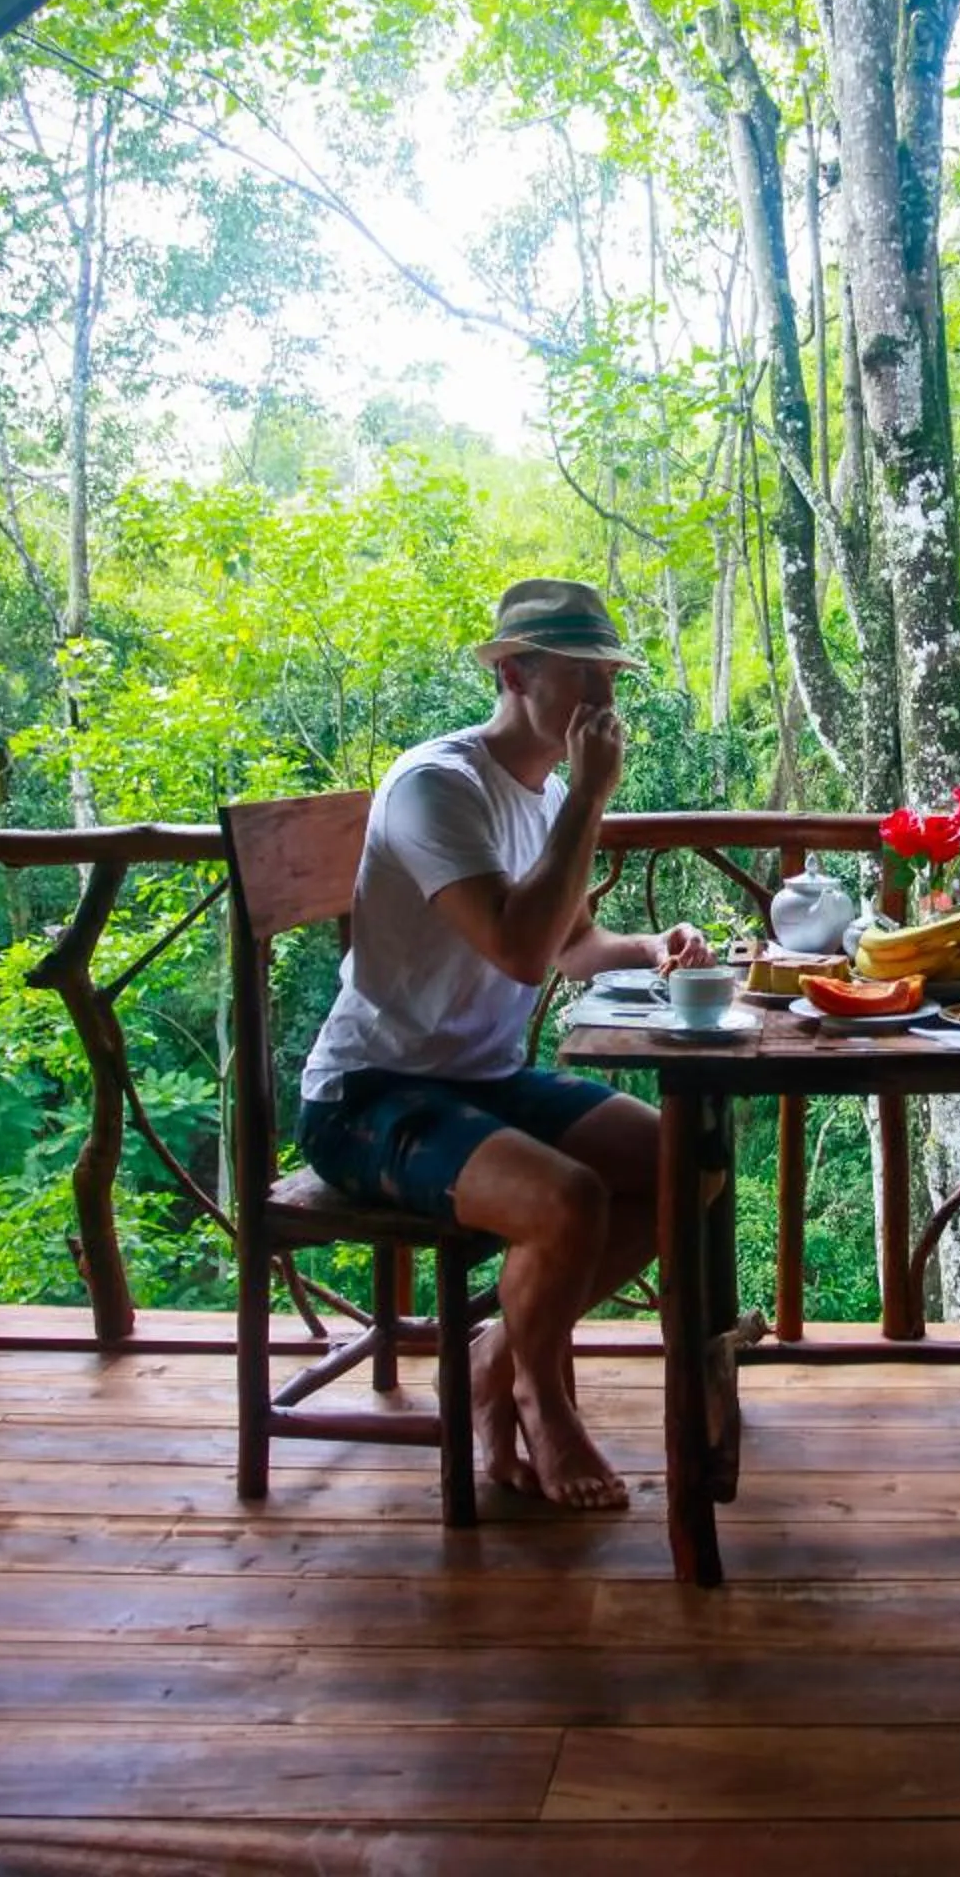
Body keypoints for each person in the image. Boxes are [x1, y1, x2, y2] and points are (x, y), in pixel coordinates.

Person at [296, 577, 710, 1511]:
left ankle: (493, 1356)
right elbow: (521, 950)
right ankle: (539, 1397)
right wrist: (591, 797)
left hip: (481, 1078)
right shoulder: (437, 786)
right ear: (516, 675)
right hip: (367, 1094)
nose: (603, 699)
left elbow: (568, 945)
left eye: (611, 678)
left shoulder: (548, 792)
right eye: (582, 675)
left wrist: (652, 946)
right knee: (568, 1199)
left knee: (688, 1162)